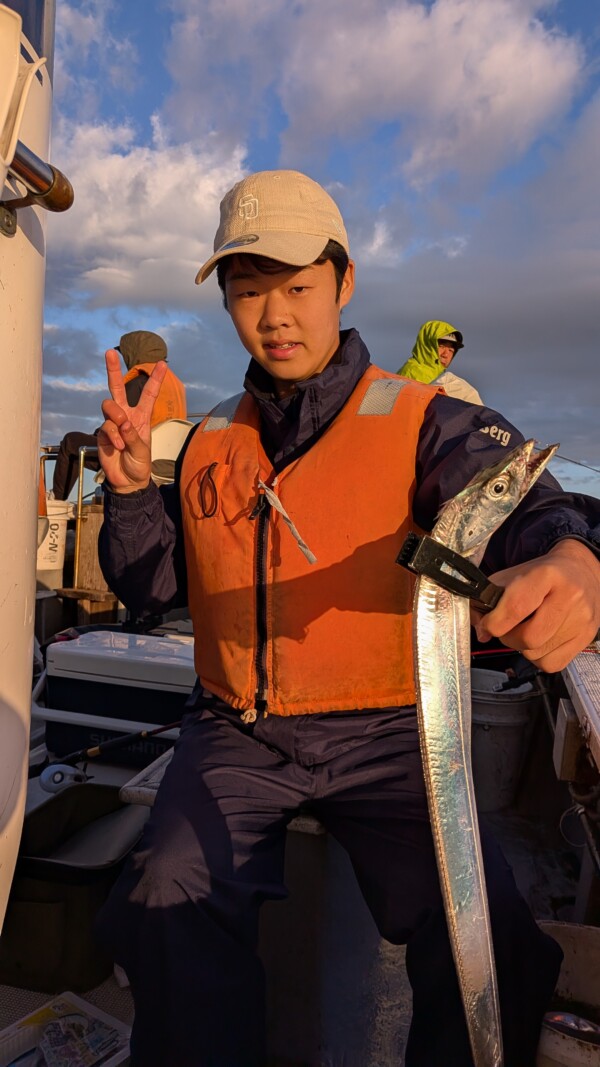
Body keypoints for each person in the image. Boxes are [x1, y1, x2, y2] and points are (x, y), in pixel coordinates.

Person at [95, 169, 600, 1067]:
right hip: (236, 729)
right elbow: (153, 587)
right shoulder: (210, 436)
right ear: (225, 299)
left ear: (344, 283)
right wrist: (132, 490)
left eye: (296, 286)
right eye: (248, 291)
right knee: (163, 896)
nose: (275, 314)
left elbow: (516, 493)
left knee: (491, 934)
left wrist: (569, 557)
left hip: (387, 731)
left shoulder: (423, 416)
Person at [51, 330, 186, 499]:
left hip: (134, 456)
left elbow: (120, 425)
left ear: (134, 353)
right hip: (168, 460)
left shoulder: (138, 382)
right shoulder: (175, 384)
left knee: (71, 442)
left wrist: (98, 433)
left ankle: (55, 503)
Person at [398, 319, 483, 404]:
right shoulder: (414, 372)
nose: (445, 355)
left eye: (450, 350)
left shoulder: (438, 375)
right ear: (428, 346)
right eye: (441, 346)